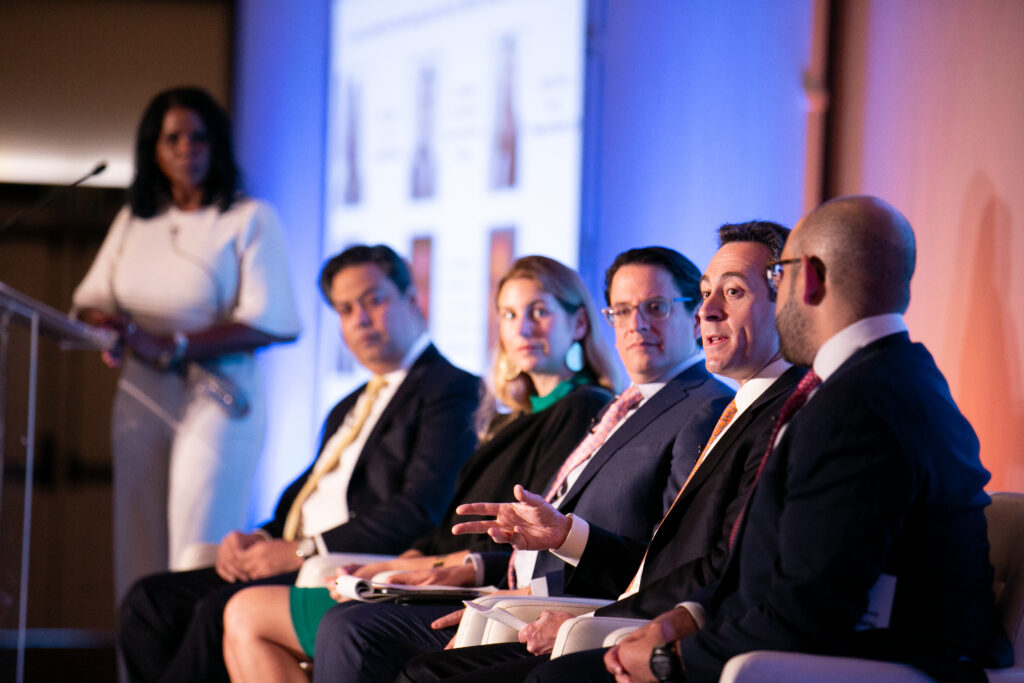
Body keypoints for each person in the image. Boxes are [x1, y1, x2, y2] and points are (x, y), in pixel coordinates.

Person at [546, 196, 1004, 683]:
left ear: (805, 278)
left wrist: (669, 660)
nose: (707, 312)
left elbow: (809, 612)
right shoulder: (896, 378)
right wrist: (690, 617)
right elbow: (786, 572)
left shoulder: (853, 408)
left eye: (773, 279)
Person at [398, 221, 807, 682]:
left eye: (656, 307)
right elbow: (670, 556)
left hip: (629, 622)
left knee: (404, 661)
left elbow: (701, 565)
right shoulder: (643, 406)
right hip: (563, 605)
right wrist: (561, 534)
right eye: (622, 310)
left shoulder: (724, 407)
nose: (709, 312)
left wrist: (586, 620)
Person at [306, 246, 734, 683]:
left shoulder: (702, 407)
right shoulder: (626, 408)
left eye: (656, 307)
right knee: (353, 627)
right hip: (518, 592)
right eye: (622, 311)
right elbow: (541, 542)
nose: (636, 324)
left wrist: (524, 594)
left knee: (362, 635)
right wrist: (470, 571)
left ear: (695, 314)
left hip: (573, 608)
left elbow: (668, 561)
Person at [221, 255, 622, 682]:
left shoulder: (583, 407)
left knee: (247, 613)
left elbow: (526, 534)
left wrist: (418, 570)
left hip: (481, 586)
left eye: (539, 312)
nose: (522, 328)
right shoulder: (511, 417)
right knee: (242, 613)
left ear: (579, 323)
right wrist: (390, 566)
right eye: (509, 314)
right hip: (440, 572)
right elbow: (451, 520)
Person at [118, 244, 481, 683]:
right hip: (293, 554)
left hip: (343, 565)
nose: (360, 319)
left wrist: (301, 550)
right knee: (149, 601)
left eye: (373, 300)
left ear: (411, 300)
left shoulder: (452, 390)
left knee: (215, 611)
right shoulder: (348, 404)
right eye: (345, 310)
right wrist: (259, 538)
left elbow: (420, 507)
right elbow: (308, 495)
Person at [71, 86, 301, 599]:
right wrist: (113, 326)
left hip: (217, 396)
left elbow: (275, 321)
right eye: (171, 137)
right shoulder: (135, 221)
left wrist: (173, 344)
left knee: (195, 552)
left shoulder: (248, 218)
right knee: (137, 550)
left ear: (216, 144)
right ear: (152, 147)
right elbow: (87, 301)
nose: (185, 148)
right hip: (142, 393)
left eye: (198, 137)